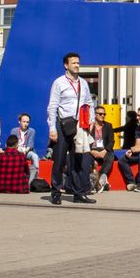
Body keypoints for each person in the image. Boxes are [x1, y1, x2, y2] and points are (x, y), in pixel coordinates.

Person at [46, 52, 96, 205]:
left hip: (80, 126)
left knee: (79, 160)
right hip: (63, 125)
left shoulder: (83, 83)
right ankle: (55, 192)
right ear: (66, 65)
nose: (77, 65)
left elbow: (89, 103)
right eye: (73, 63)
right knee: (60, 160)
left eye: (78, 63)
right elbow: (52, 107)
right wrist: (52, 128)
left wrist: (92, 119)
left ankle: (78, 193)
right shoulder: (59, 83)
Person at [86, 106, 116, 193]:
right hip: (92, 150)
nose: (102, 115)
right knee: (86, 158)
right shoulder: (90, 126)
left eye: (104, 114)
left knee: (110, 156)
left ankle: (101, 177)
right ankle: (93, 181)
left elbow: (111, 141)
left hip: (104, 150)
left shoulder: (108, 126)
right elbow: (85, 140)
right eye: (100, 114)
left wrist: (105, 150)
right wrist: (91, 151)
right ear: (95, 115)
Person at [9, 113, 40, 185]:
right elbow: (12, 143)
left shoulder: (32, 131)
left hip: (27, 151)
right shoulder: (14, 130)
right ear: (19, 122)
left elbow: (30, 144)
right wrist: (18, 150)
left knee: (35, 156)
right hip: (16, 150)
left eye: (27, 122)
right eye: (24, 121)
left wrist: (25, 151)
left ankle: (35, 178)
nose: (25, 124)